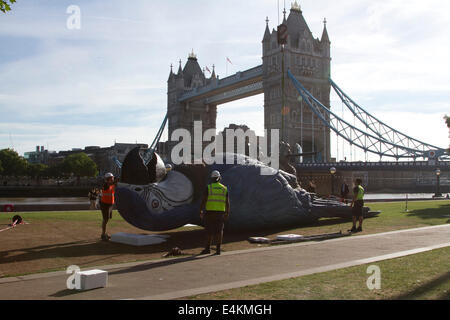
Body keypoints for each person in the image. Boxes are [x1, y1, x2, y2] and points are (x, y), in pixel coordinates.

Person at [199, 171, 230, 255]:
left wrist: (201, 210)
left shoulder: (209, 187)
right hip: (220, 213)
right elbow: (227, 202)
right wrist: (227, 212)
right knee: (219, 231)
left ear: (211, 179)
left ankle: (207, 249)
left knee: (209, 231)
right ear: (219, 178)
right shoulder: (224, 188)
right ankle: (218, 249)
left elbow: (204, 200)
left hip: (210, 212)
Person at [99, 173, 118, 241]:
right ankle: (103, 234)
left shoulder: (112, 185)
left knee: (107, 219)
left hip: (110, 204)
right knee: (105, 219)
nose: (113, 179)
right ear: (107, 179)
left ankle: (104, 234)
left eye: (113, 178)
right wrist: (115, 181)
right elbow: (108, 185)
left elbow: (115, 186)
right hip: (104, 204)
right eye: (111, 178)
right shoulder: (105, 185)